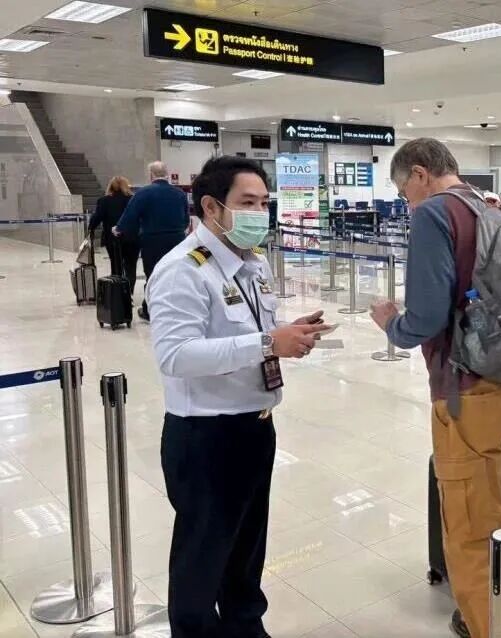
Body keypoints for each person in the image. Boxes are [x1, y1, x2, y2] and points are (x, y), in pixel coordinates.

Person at [148, 156, 331, 638]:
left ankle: (246, 627)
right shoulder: (183, 270)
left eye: (264, 203)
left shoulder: (253, 264)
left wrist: (287, 333)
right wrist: (268, 343)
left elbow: (250, 330)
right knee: (202, 557)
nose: (259, 213)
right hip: (206, 436)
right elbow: (176, 355)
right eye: (247, 203)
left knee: (247, 550)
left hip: (256, 426)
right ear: (211, 207)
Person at [369, 138, 501, 638]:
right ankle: (495, 611)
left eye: (405, 192)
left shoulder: (434, 214)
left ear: (420, 174)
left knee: (468, 527)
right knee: (498, 512)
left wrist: (391, 323)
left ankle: (487, 627)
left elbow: (425, 318)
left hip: (469, 390)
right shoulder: (494, 208)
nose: (407, 203)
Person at [115, 161, 189, 321]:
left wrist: (118, 228)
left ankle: (150, 310)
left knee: (154, 275)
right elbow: (186, 220)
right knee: (175, 274)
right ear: (166, 174)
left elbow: (130, 215)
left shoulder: (143, 193)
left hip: (153, 241)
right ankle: (177, 309)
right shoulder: (179, 194)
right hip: (177, 240)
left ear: (151, 175)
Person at [89, 176, 139, 296]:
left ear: (110, 186)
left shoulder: (104, 201)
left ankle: (118, 293)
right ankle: (129, 293)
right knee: (131, 266)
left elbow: (96, 218)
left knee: (116, 265)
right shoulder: (133, 200)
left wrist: (91, 229)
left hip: (112, 239)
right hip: (132, 238)